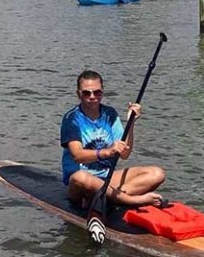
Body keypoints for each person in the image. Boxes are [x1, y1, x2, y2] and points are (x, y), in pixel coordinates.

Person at [61, 70, 165, 209]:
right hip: (81, 182)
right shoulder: (72, 119)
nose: (92, 97)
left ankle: (108, 198)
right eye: (87, 93)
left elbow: (124, 154)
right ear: (79, 94)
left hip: (106, 178)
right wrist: (107, 152)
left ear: (102, 92)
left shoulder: (110, 114)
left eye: (97, 92)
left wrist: (131, 123)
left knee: (156, 173)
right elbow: (78, 155)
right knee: (81, 178)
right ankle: (132, 201)